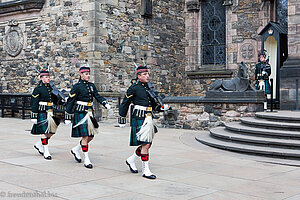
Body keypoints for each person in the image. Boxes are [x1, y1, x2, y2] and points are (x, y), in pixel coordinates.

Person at [118, 65, 168, 179]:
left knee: (148, 144)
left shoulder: (149, 88)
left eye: (147, 74)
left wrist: (160, 107)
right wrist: (122, 118)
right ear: (139, 76)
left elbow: (153, 104)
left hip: (148, 118)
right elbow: (125, 102)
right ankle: (146, 170)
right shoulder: (134, 88)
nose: (147, 76)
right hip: (139, 117)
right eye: (144, 74)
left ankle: (131, 160)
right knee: (146, 144)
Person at [65, 65, 111, 169]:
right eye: (86, 74)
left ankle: (76, 149)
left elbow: (97, 96)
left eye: (89, 73)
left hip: (89, 113)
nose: (88, 75)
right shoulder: (77, 87)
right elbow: (70, 101)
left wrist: (104, 103)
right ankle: (86, 158)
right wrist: (67, 116)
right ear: (81, 75)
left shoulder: (91, 85)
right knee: (85, 136)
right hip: (80, 112)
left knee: (91, 136)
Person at [31, 69, 60, 160]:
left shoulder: (51, 88)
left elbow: (54, 100)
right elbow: (34, 102)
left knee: (51, 132)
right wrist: (34, 115)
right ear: (42, 78)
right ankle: (46, 151)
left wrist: (61, 99)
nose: (48, 79)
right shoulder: (38, 89)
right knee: (44, 132)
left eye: (48, 77)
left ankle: (39, 144)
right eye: (46, 77)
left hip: (50, 111)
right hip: (42, 112)